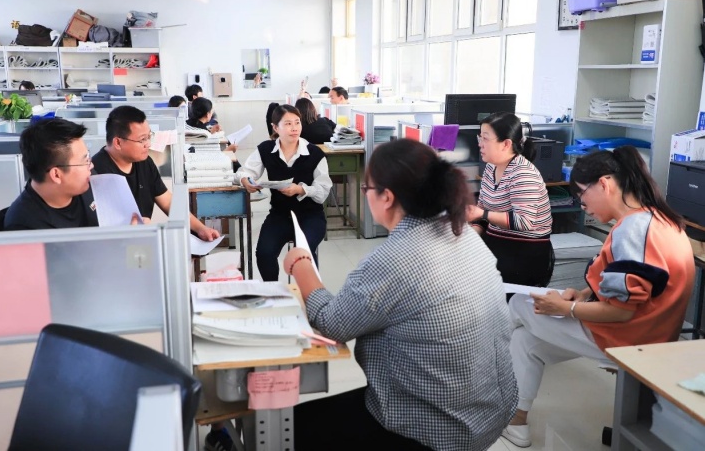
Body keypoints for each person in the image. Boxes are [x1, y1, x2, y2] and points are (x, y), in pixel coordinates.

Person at [284, 139, 517, 450]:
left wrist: (301, 263)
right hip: (489, 412)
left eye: (366, 188)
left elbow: (331, 324)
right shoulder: (463, 233)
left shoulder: (396, 258)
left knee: (289, 427)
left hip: (438, 428)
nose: (365, 195)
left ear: (387, 197)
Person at [503, 146, 695, 448]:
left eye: (582, 196)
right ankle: (516, 423)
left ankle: (474, 376)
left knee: (517, 303)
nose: (583, 206)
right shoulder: (658, 219)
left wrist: (567, 309)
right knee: (525, 341)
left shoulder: (631, 230)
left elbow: (622, 312)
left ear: (604, 184)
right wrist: (583, 294)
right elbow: (635, 283)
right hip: (652, 332)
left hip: (629, 338)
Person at [91, 105, 219, 241]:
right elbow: (101, 229)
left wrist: (201, 229)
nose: (148, 144)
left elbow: (167, 202)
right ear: (118, 142)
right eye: (142, 139)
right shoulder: (97, 174)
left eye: (149, 136)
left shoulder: (144, 162)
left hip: (144, 242)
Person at [237, 104, 331, 281]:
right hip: (280, 214)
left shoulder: (315, 153)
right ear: (275, 127)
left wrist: (301, 189)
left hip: (310, 216)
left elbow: (323, 190)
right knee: (264, 253)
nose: (294, 128)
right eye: (288, 124)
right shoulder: (265, 149)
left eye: (297, 122)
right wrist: (245, 180)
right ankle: (274, 292)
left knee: (304, 253)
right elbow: (246, 171)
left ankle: (310, 294)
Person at [467, 112, 554, 289]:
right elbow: (482, 213)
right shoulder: (491, 168)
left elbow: (524, 222)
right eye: (479, 137)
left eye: (485, 138)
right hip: (497, 244)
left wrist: (482, 214)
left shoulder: (523, 173)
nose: (480, 143)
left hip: (525, 252)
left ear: (506, 144)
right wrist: (471, 235)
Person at [4, 118, 98, 230]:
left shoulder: (87, 181)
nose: (91, 166)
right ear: (56, 175)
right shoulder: (27, 228)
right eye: (85, 160)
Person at [186, 96, 240, 171]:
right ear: (208, 114)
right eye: (211, 111)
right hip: (203, 167)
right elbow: (213, 157)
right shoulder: (205, 135)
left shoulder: (185, 125)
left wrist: (211, 132)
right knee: (235, 162)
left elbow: (199, 134)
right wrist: (228, 150)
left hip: (189, 162)